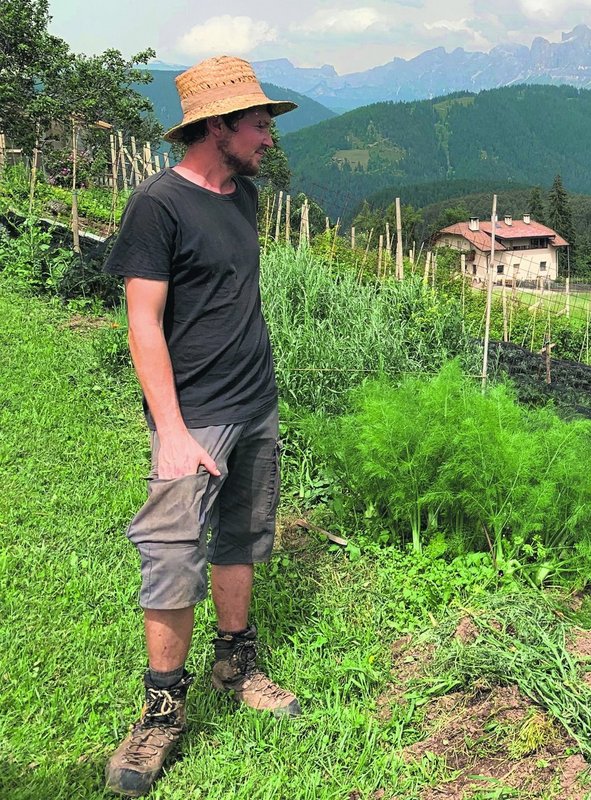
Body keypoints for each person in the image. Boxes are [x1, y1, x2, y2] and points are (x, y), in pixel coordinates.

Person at [102, 56, 299, 797]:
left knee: (242, 534)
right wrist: (174, 431)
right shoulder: (159, 205)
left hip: (255, 403)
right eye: (258, 125)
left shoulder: (244, 196)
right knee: (171, 551)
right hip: (194, 418)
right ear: (217, 126)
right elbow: (143, 324)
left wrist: (261, 395)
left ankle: (235, 665)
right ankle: (161, 711)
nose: (268, 138)